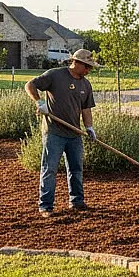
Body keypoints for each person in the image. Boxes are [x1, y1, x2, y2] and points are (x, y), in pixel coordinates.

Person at [26, 49, 99, 216]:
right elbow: (30, 85)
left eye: (91, 67)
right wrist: (39, 102)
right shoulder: (55, 75)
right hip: (54, 131)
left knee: (76, 169)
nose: (89, 70)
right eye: (87, 66)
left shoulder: (85, 84)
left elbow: (86, 109)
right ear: (76, 63)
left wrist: (89, 128)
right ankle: (45, 206)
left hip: (74, 134)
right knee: (49, 169)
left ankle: (77, 201)